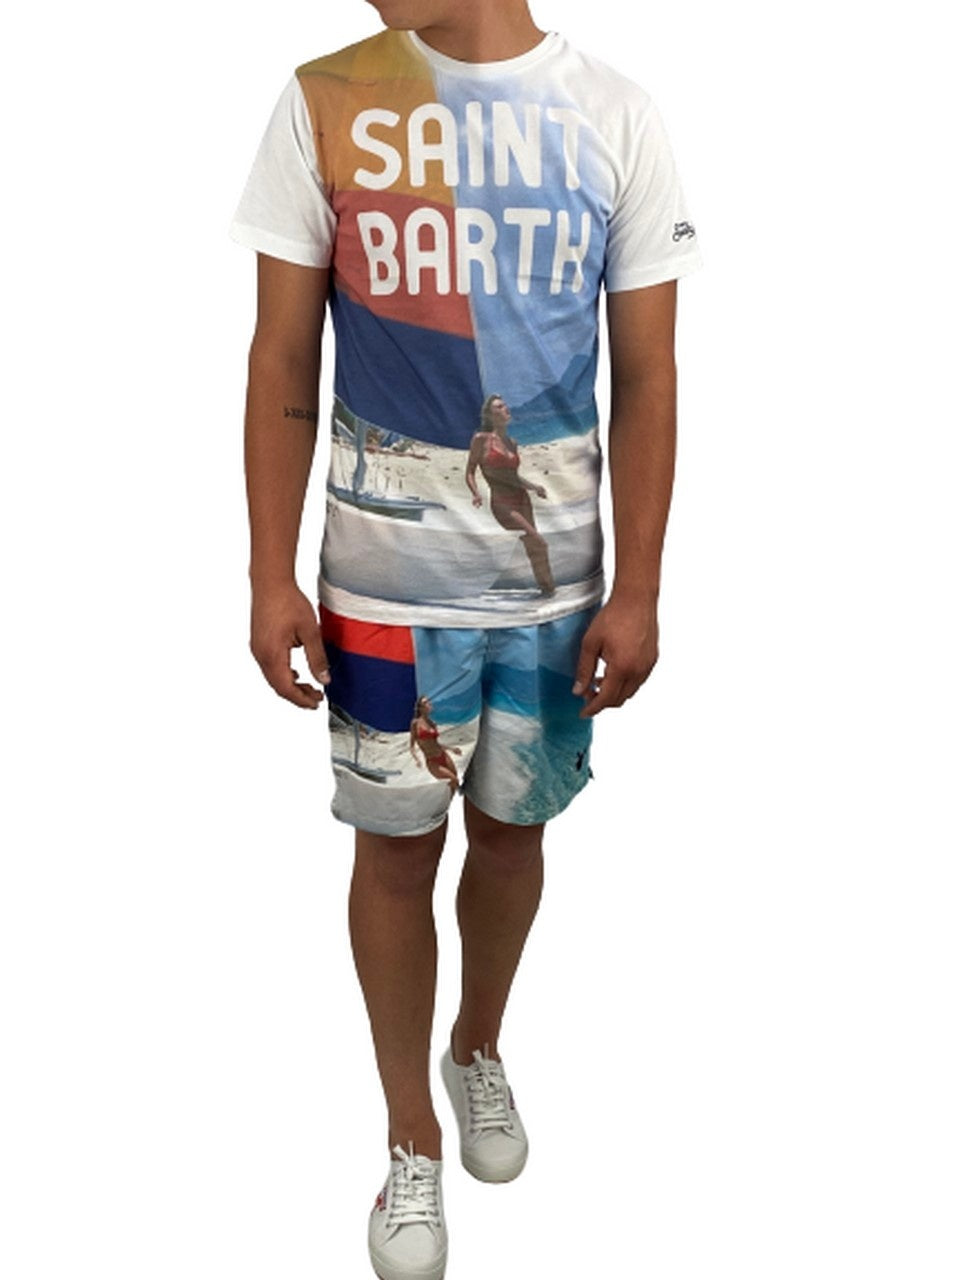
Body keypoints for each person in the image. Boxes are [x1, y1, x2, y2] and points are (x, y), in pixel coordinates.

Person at [230, 1, 701, 1276]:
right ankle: (409, 1132)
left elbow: (649, 373)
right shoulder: (325, 99)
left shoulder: (613, 114)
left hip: (550, 599)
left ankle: (477, 1042)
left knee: (511, 834)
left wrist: (641, 585)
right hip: (380, 586)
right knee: (393, 852)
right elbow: (282, 351)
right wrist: (268, 573)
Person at [465, 393, 555, 595]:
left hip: (522, 498)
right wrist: (476, 493)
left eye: (505, 405)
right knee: (538, 541)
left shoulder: (511, 442)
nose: (505, 408)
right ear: (490, 415)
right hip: (503, 503)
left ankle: (548, 590)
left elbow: (513, 477)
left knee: (534, 547)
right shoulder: (481, 440)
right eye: (499, 407)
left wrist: (535, 487)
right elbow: (470, 470)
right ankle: (547, 588)